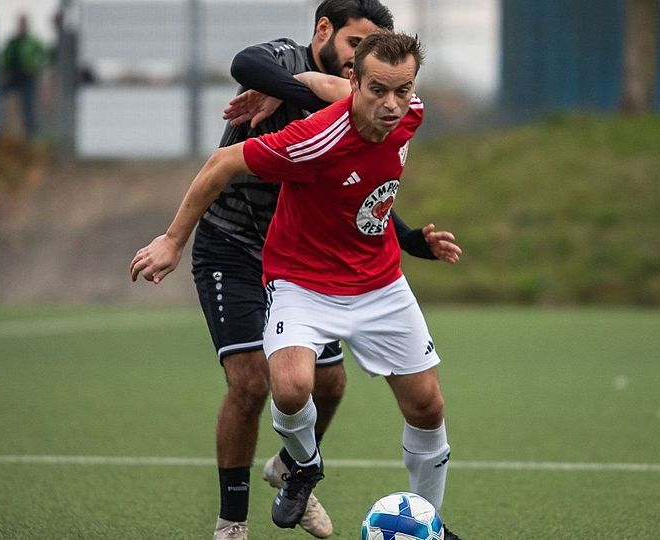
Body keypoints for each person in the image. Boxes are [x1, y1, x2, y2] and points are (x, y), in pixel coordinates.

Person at [131, 2, 460, 539]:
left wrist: (412, 241)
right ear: (353, 80)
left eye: (403, 90)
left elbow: (366, 195)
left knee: (427, 406)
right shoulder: (315, 139)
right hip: (300, 281)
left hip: (379, 283)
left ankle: (432, 526)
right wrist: (172, 241)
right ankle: (300, 469)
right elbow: (220, 164)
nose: (392, 104)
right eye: (378, 90)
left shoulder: (409, 111)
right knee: (284, 387)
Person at [1, 14, 48, 140]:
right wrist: (3, 68)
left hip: (28, 78)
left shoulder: (33, 42)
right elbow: (4, 56)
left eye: (24, 23)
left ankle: (32, 138)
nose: (22, 26)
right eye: (20, 23)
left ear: (27, 25)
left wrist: (35, 67)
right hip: (12, 77)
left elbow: (44, 56)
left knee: (28, 109)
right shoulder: (12, 41)